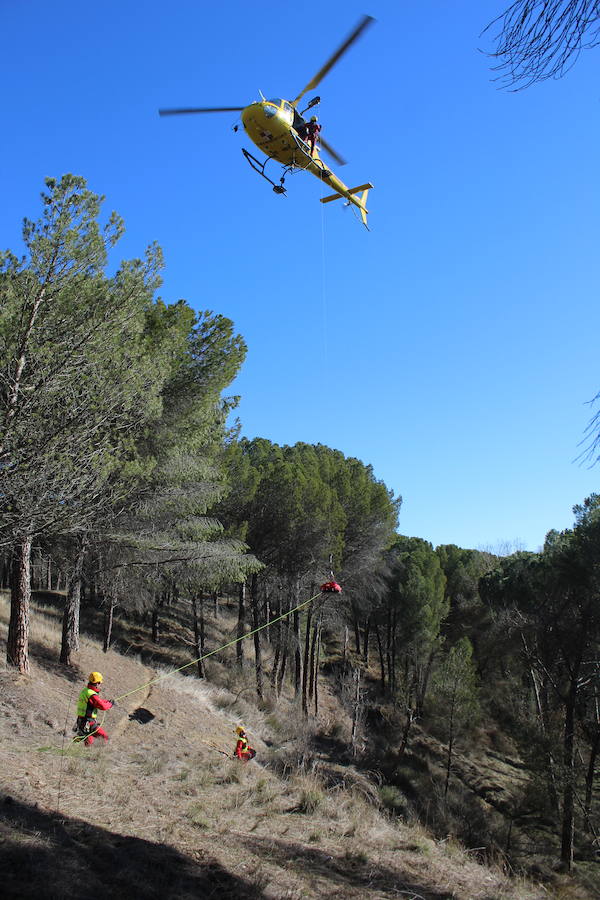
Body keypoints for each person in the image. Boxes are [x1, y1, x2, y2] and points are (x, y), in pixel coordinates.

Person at [75, 672, 116, 747]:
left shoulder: (86, 691)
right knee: (104, 738)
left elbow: (96, 702)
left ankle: (77, 751)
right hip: (88, 722)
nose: (100, 685)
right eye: (100, 683)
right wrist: (110, 704)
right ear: (97, 683)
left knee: (87, 741)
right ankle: (101, 753)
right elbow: (102, 706)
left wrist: (107, 701)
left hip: (81, 721)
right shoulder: (92, 694)